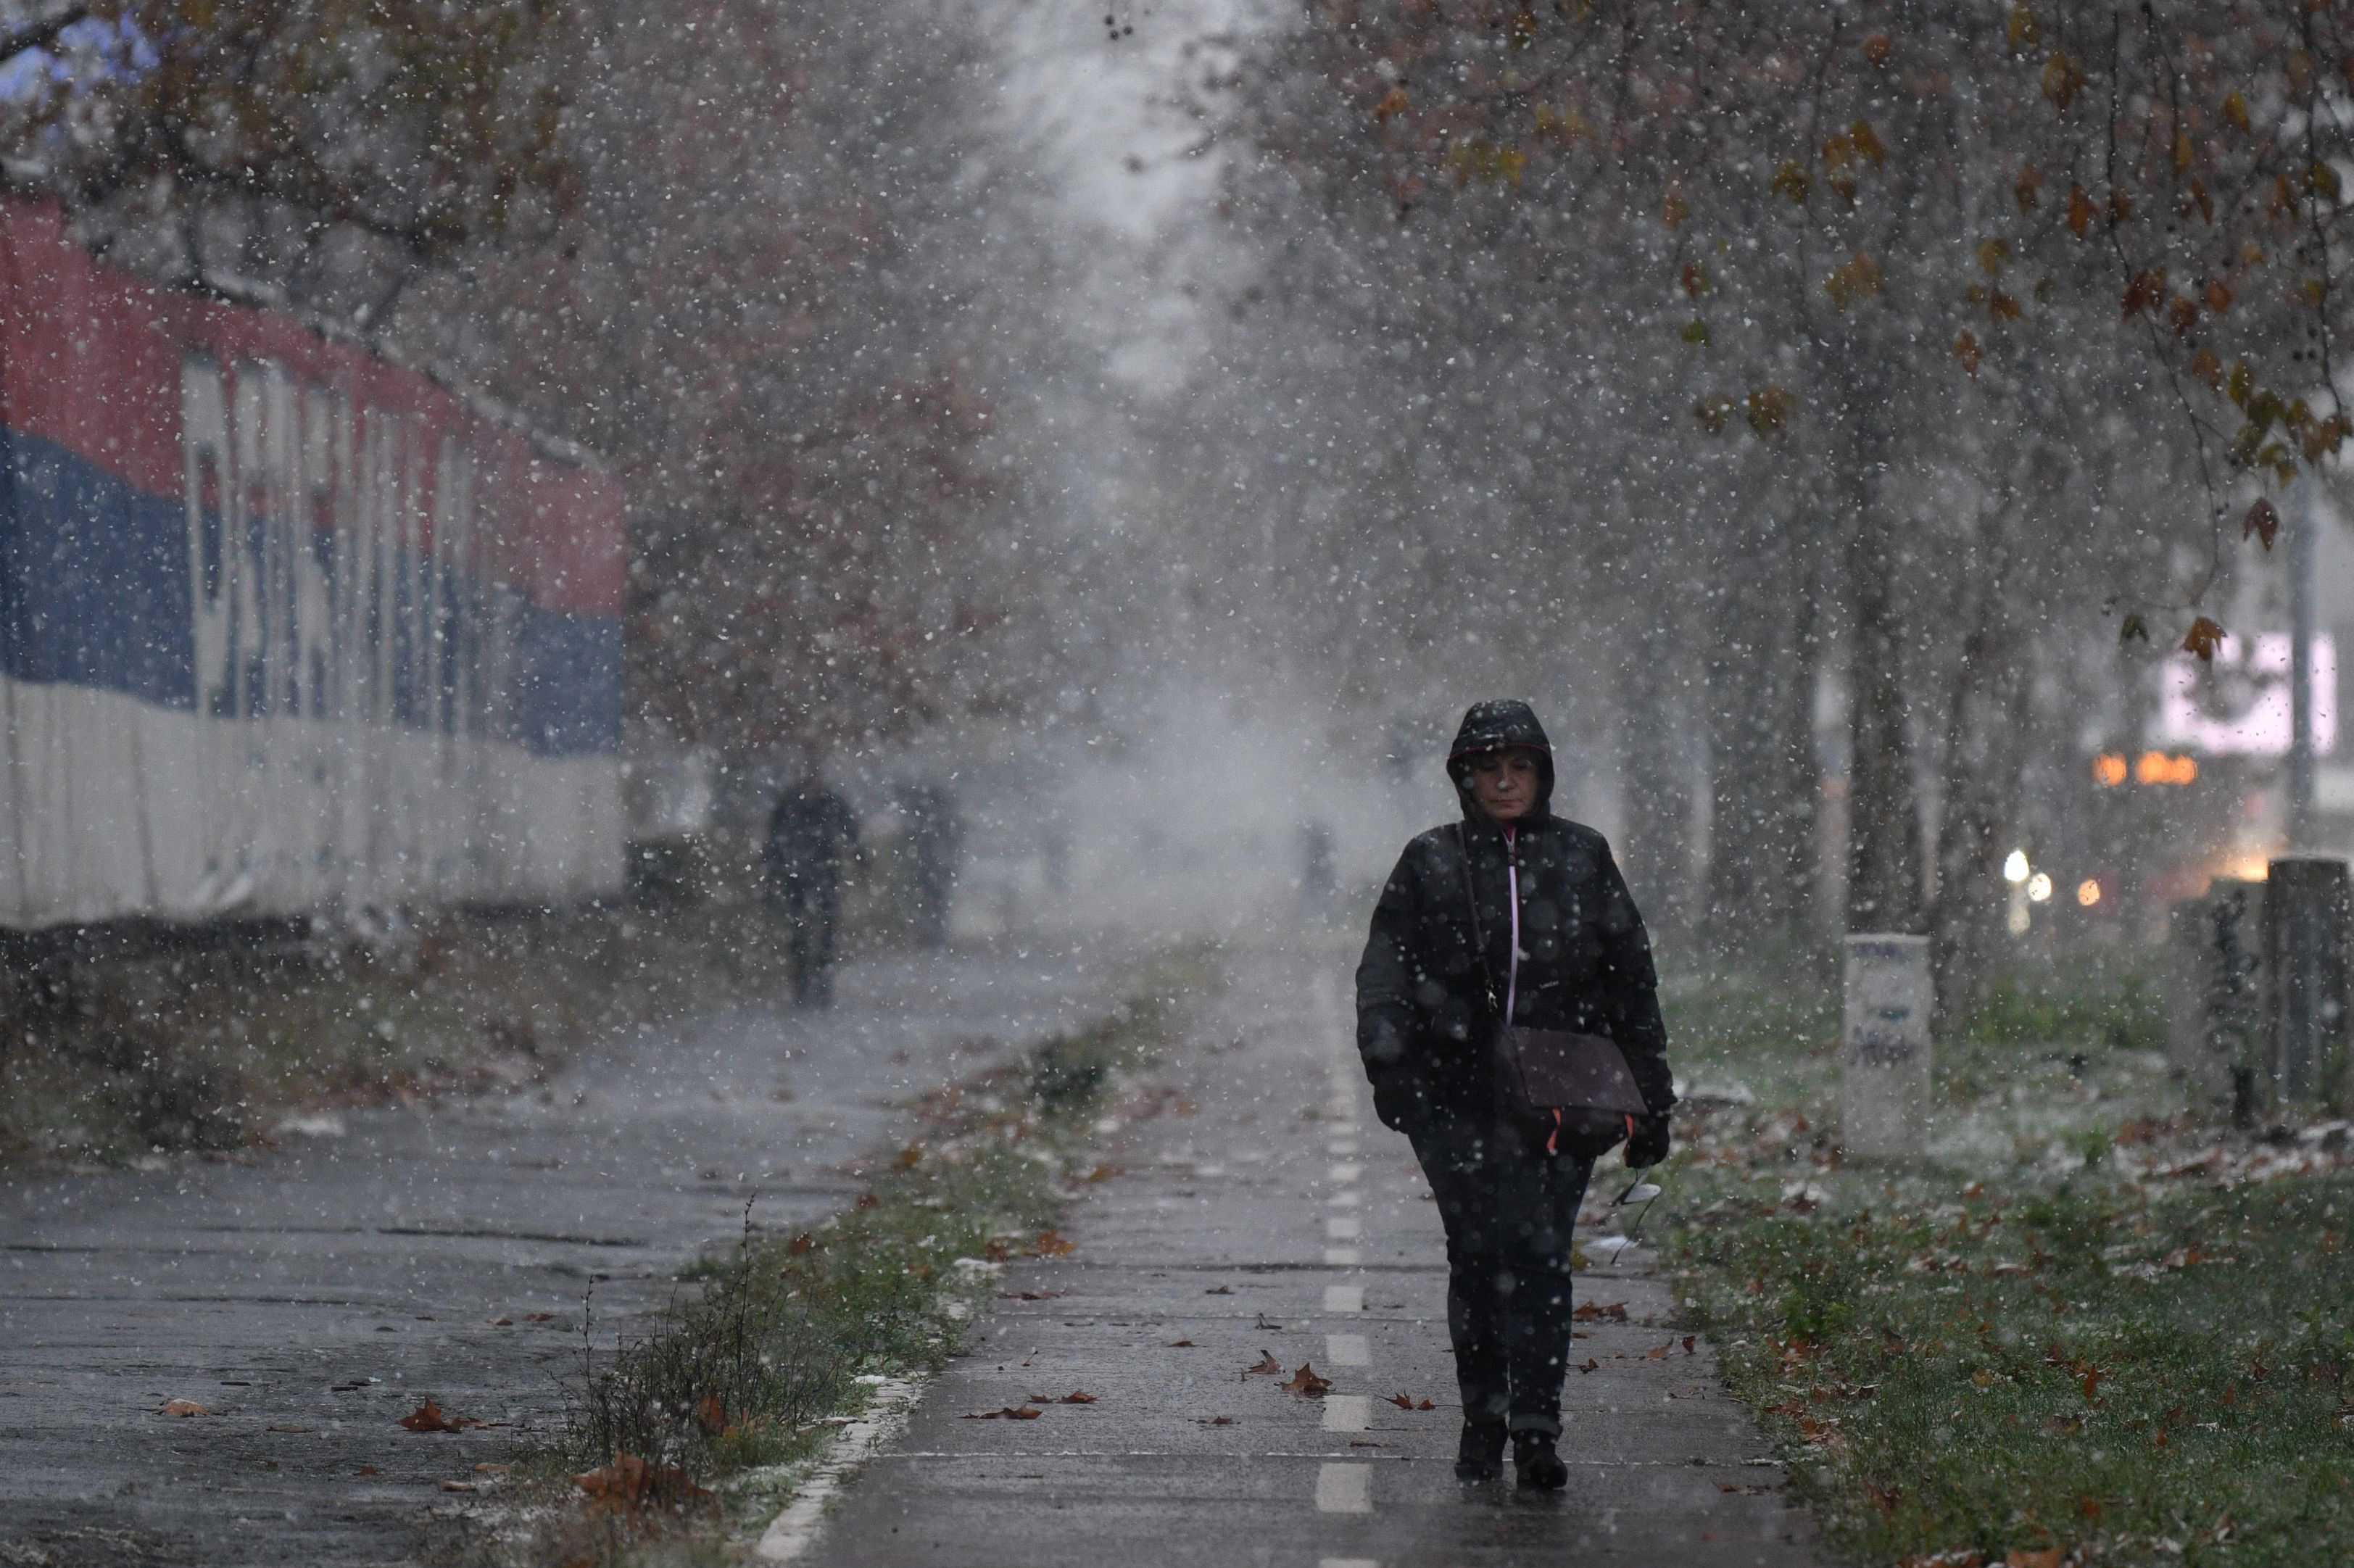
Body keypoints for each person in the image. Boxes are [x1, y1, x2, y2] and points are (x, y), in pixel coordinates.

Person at [1354, 700, 1676, 1489]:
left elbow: (1629, 978)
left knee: (1539, 1258)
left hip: (1562, 1102)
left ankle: (1535, 1428)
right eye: (1488, 767)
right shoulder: (1430, 862)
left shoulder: (1582, 857)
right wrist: (1390, 1064)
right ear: (1464, 777)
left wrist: (1652, 1095)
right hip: (1453, 1101)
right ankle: (1482, 1419)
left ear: (1542, 774)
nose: (1504, 781)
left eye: (1519, 766)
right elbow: (1384, 971)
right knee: (1476, 1258)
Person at [764, 764, 859, 1008]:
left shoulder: (829, 802)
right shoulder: (789, 804)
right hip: (795, 873)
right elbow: (773, 839)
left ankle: (823, 978)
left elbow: (850, 831)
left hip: (823, 872)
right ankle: (803, 980)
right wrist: (773, 870)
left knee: (827, 927)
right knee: (799, 930)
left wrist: (860, 856)